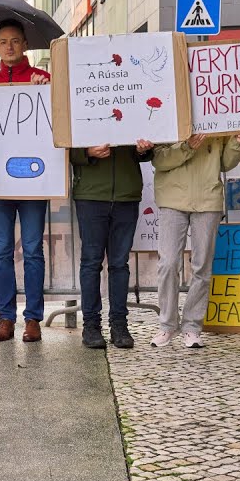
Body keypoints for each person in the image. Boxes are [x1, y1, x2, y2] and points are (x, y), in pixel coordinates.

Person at [0, 19, 51, 343]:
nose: (9, 46)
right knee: (2, 252)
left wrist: (45, 90)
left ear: (25, 45)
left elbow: (57, 119)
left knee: (33, 250)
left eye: (15, 40)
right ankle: (5, 318)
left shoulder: (42, 79)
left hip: (34, 182)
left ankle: (33, 318)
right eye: (3, 41)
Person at [151, 130, 240, 349]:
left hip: (208, 198)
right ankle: (168, 325)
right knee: (168, 263)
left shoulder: (219, 120)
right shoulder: (171, 116)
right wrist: (187, 147)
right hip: (172, 197)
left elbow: (225, 163)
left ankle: (192, 326)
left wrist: (236, 142)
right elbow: (159, 160)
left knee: (202, 266)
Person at [69, 139, 155, 349]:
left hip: (126, 194)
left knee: (119, 264)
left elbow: (149, 144)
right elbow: (62, 147)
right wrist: (86, 152)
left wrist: (143, 150)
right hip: (91, 194)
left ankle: (119, 324)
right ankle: (91, 325)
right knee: (91, 263)